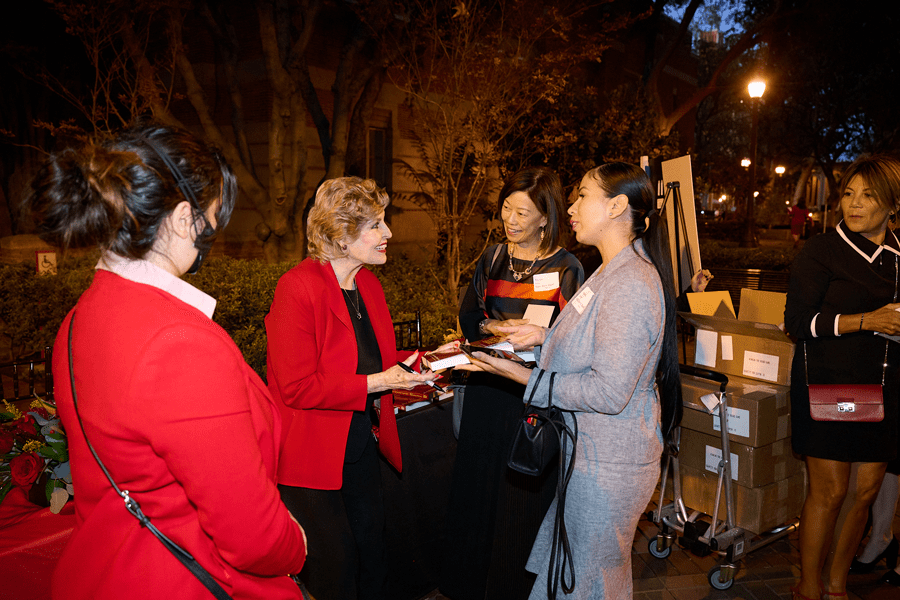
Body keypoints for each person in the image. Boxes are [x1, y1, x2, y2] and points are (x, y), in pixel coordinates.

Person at [31, 123, 308, 600]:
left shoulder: (78, 319)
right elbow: (252, 538)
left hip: (106, 571)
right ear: (184, 219)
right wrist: (296, 545)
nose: (213, 232)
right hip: (183, 581)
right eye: (214, 216)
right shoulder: (180, 342)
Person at [460, 162, 681, 599]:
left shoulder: (631, 282)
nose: (572, 207)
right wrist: (541, 337)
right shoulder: (609, 270)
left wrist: (523, 375)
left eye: (582, 196)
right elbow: (592, 343)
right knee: (570, 574)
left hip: (608, 464)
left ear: (617, 206)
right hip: (588, 455)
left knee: (590, 582)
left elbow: (608, 391)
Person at [266, 177, 438, 600]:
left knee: (374, 558)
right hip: (311, 461)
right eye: (377, 225)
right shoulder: (297, 288)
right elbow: (296, 386)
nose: (388, 234)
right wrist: (381, 382)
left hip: (360, 448)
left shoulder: (368, 284)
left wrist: (429, 358)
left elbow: (373, 358)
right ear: (341, 236)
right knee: (335, 571)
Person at [440, 167, 584, 600]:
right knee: (477, 489)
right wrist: (499, 330)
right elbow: (470, 315)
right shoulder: (493, 258)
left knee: (517, 498)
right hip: (488, 388)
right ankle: (466, 585)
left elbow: (571, 336)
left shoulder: (567, 267)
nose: (512, 219)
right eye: (507, 208)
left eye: (523, 212)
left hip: (530, 395)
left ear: (546, 216)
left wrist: (533, 339)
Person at [784, 154, 900, 600]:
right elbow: (798, 322)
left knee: (866, 491)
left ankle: (836, 585)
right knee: (830, 492)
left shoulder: (896, 256)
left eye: (868, 195)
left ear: (891, 205)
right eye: (849, 194)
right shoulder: (821, 251)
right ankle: (809, 587)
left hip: (887, 385)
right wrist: (865, 320)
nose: (854, 204)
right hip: (833, 385)